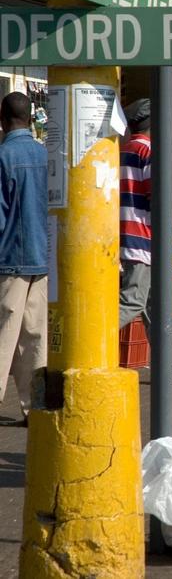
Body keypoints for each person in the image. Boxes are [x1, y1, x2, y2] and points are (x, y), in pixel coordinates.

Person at [118, 98, 172, 386]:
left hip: (128, 235)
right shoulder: (148, 151)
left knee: (154, 308)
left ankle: (168, 366)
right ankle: (90, 342)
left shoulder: (125, 149)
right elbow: (157, 201)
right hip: (143, 238)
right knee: (134, 300)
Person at [0, 92, 47, 425]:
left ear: (3, 120)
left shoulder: (3, 156)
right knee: (35, 336)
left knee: (3, 333)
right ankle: (36, 408)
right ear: (30, 118)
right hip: (41, 258)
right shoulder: (47, 157)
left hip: (9, 259)